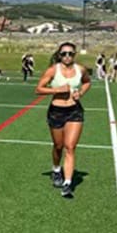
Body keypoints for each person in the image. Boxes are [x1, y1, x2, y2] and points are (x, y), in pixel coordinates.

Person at [35, 41, 91, 198]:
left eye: (70, 53)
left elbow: (87, 82)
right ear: (60, 55)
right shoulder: (53, 70)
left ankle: (67, 183)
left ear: (75, 55)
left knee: (70, 147)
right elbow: (38, 89)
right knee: (58, 146)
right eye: (64, 53)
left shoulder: (80, 69)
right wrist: (57, 90)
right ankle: (55, 169)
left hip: (75, 111)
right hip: (56, 112)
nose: (67, 56)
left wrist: (80, 93)